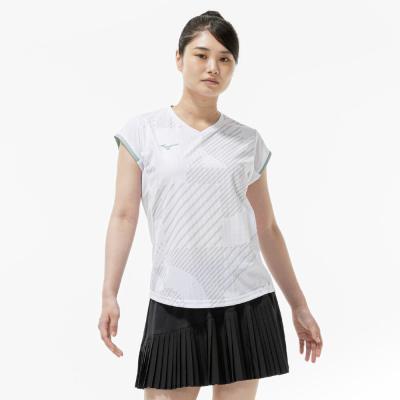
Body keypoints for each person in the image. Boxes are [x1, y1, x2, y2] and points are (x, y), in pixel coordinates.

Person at [98, 10, 323, 400]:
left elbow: (267, 228)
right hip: (175, 300)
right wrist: (109, 293)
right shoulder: (143, 132)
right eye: (201, 55)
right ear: (179, 58)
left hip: (245, 302)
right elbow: (123, 215)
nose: (213, 67)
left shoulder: (247, 142)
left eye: (225, 59)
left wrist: (299, 305)